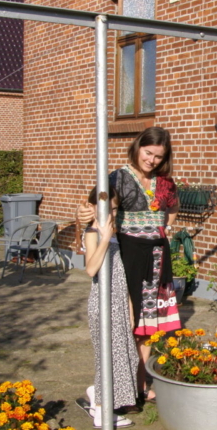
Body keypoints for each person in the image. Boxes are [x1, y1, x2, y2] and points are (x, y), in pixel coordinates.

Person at [78, 126, 180, 403]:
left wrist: (162, 228)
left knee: (149, 324)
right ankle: (122, 384)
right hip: (128, 257)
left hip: (157, 257)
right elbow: (92, 208)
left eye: (158, 156)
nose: (152, 160)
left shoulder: (165, 182)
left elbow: (173, 208)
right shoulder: (117, 178)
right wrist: (83, 212)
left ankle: (140, 385)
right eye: (148, 153)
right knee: (129, 322)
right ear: (137, 147)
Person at [82, 187, 136, 428]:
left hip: (119, 302)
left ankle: (99, 395)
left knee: (123, 355)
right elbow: (91, 269)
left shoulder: (115, 234)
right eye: (106, 208)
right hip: (103, 303)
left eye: (114, 209)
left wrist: (129, 307)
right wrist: (104, 238)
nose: (111, 214)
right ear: (93, 207)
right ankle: (102, 410)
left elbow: (121, 274)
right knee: (108, 357)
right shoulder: (92, 233)